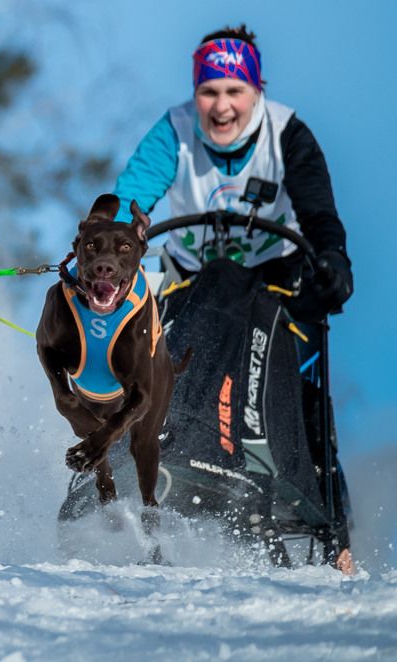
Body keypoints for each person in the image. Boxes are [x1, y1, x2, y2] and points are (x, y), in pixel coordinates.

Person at [111, 24, 355, 573]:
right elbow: (131, 200)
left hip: (276, 284)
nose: (221, 107)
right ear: (194, 94)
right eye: (209, 92)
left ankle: (333, 534)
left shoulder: (288, 134)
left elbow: (318, 214)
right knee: (142, 347)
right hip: (194, 281)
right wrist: (112, 242)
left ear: (256, 91)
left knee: (310, 389)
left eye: (234, 91)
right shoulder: (173, 132)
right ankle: (141, 457)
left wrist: (333, 260)